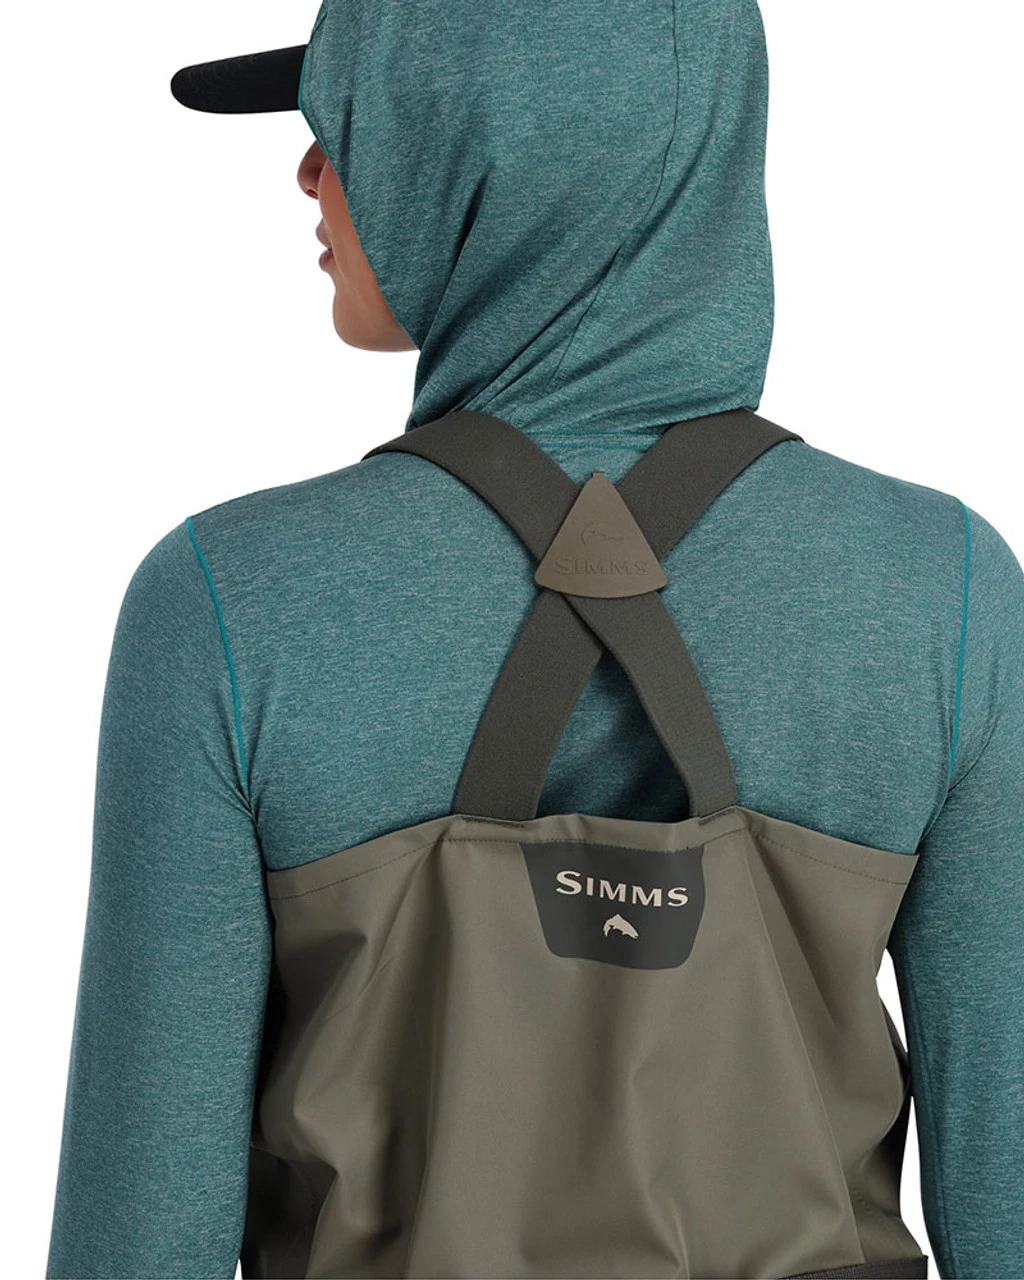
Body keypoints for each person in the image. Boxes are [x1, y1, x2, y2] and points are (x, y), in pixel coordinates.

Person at [45, 0, 1023, 1277]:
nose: (308, 169)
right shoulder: (945, 588)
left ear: (481, 146)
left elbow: (137, 1237)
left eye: (354, 119)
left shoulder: (228, 601)